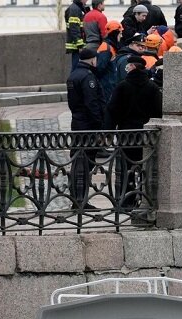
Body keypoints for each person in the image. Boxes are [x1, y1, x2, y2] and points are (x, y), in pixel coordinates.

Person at [106, 53, 162, 210]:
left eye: (128, 66)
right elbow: (158, 111)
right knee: (146, 168)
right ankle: (145, 199)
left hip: (127, 134)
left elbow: (112, 110)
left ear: (132, 67)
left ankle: (126, 201)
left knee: (126, 168)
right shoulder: (152, 87)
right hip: (146, 134)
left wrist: (109, 132)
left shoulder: (122, 86)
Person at [66, 47, 105, 208]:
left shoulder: (73, 75)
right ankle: (81, 200)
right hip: (88, 125)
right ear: (92, 59)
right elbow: (92, 103)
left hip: (77, 122)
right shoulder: (88, 77)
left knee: (77, 159)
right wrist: (99, 125)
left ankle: (76, 198)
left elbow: (72, 102)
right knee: (86, 161)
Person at [65, 0, 88, 69]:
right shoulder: (74, 9)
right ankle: (73, 80)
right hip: (76, 45)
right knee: (76, 68)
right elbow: (74, 28)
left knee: (78, 67)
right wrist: (80, 44)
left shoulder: (78, 8)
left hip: (77, 44)